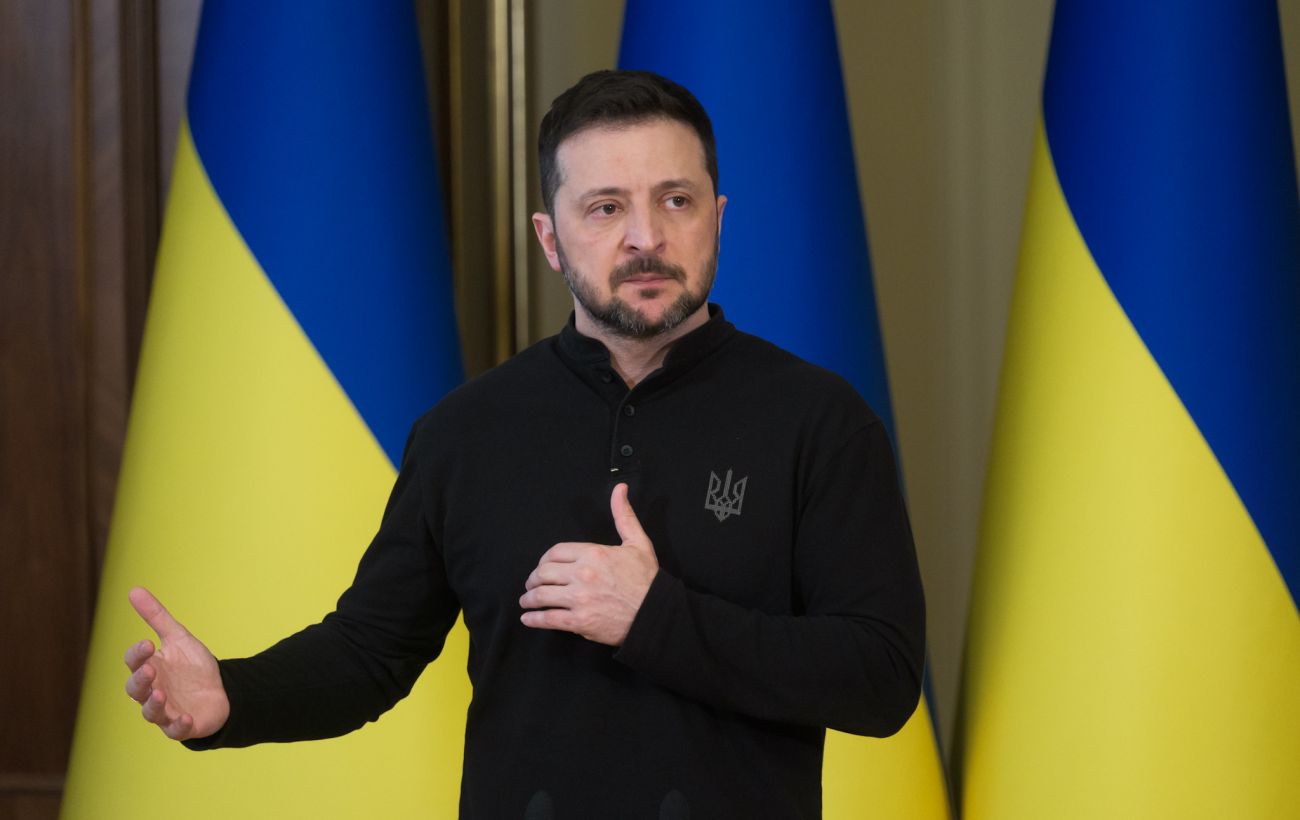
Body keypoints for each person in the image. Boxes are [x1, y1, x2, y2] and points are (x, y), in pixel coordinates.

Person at [123, 69, 925, 819]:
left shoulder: (820, 421)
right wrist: (234, 696)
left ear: (717, 216)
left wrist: (657, 618)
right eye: (605, 208)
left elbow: (882, 677)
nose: (645, 237)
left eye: (675, 201)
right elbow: (370, 652)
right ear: (550, 237)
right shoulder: (464, 432)